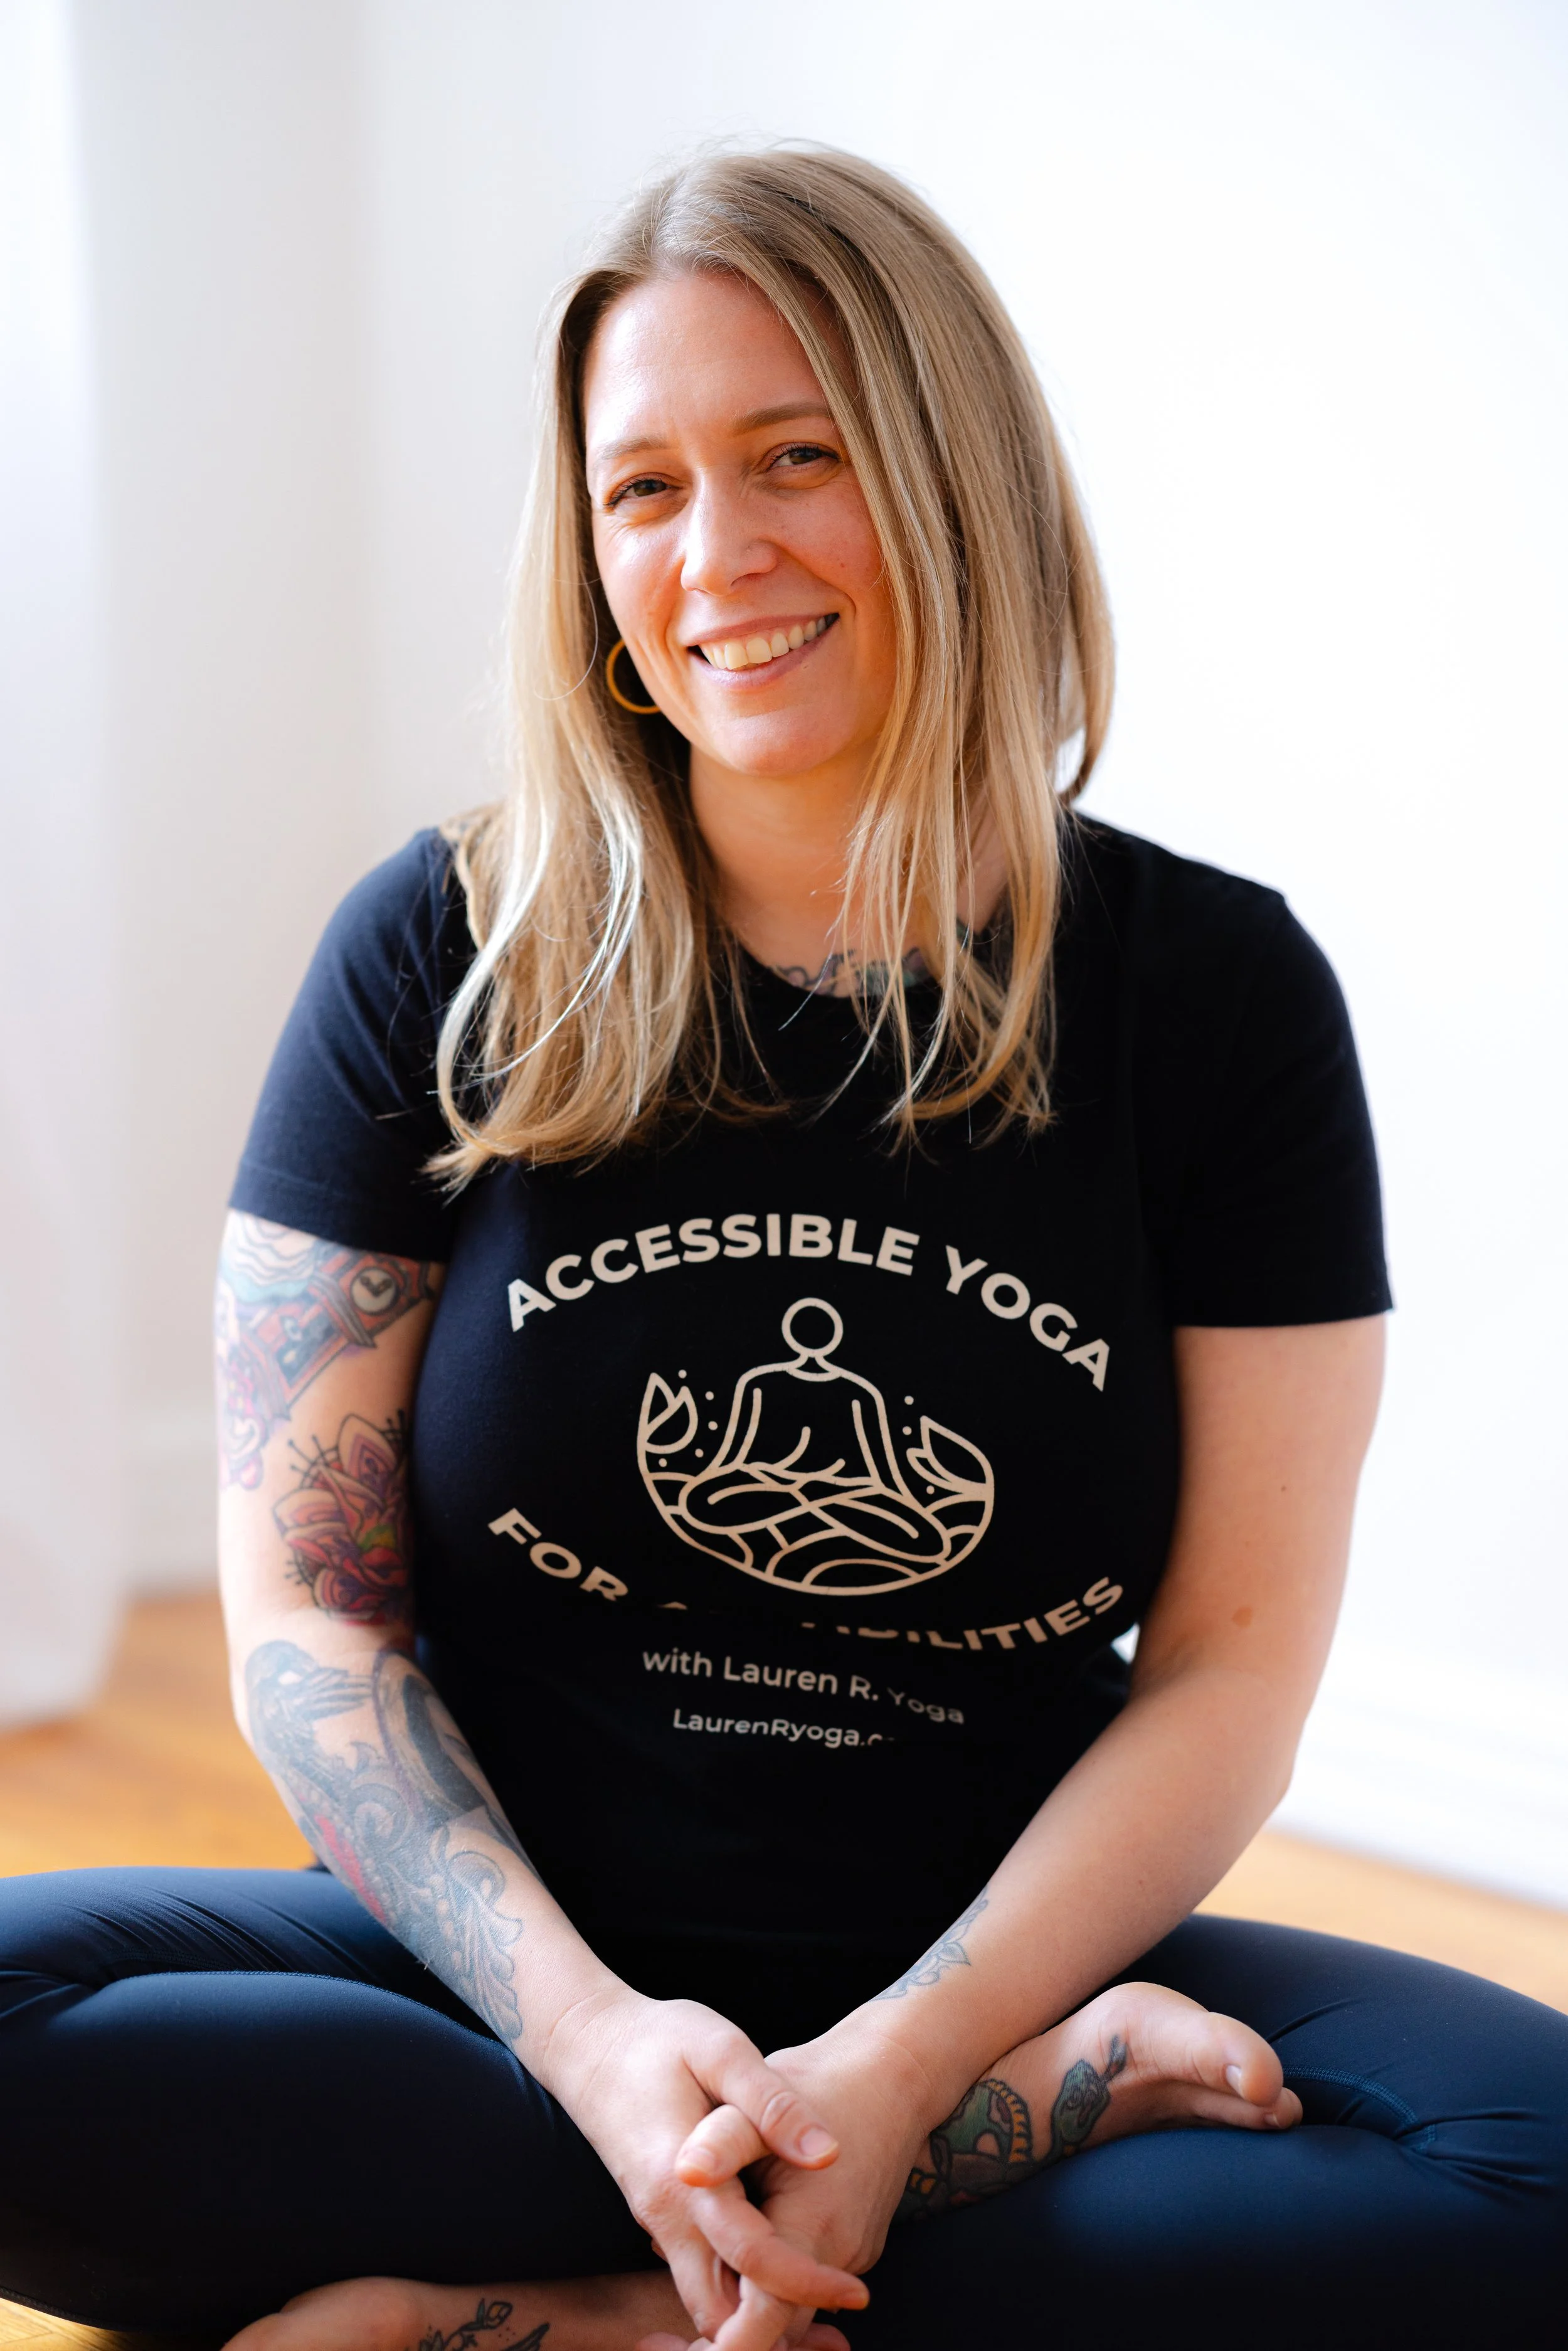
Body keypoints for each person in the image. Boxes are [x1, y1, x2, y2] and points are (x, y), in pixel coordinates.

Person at [0, 146, 1563, 2351]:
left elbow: (1225, 1668)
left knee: (1543, 2182)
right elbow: (307, 1608)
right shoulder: (442, 946)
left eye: (793, 457)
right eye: (639, 491)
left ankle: (616, 2301)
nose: (713, 557)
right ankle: (859, 2221)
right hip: (522, 1989)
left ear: (949, 479)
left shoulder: (1210, 996)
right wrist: (586, 2040)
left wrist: (918, 2062)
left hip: (993, 1947)